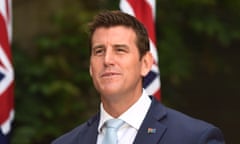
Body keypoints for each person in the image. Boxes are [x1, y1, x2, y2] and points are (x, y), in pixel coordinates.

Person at [52, 10, 225, 144]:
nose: (107, 60)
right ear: (91, 67)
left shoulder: (195, 138)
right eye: (99, 51)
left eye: (120, 50)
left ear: (146, 63)